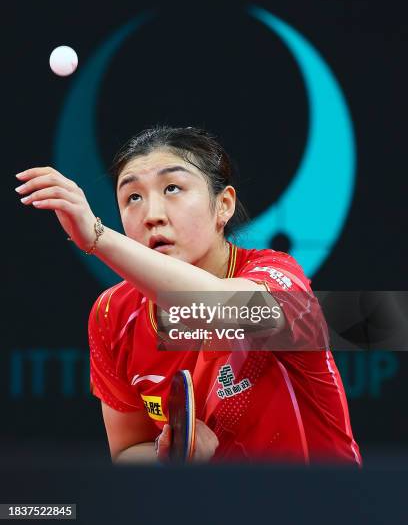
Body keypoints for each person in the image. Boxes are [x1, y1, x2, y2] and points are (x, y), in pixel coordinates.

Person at [15, 125, 362, 466]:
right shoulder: (113, 313)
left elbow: (220, 309)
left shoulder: (279, 277)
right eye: (133, 197)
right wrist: (167, 454)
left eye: (173, 188)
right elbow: (126, 449)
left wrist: (97, 237)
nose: (152, 216)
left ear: (223, 205)